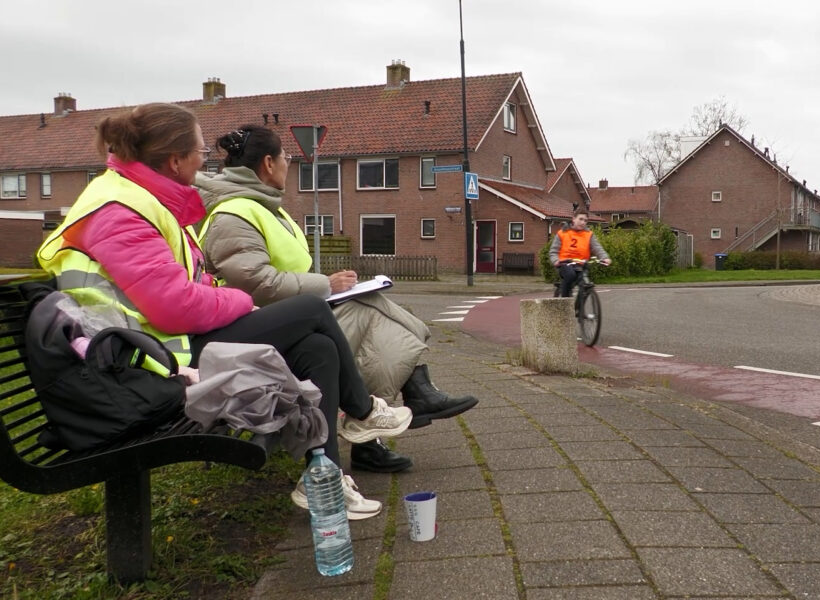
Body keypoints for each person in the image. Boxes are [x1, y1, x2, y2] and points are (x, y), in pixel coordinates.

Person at [36, 103, 408, 518]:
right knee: (310, 311)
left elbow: (183, 287)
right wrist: (241, 299)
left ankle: (322, 476)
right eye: (200, 152)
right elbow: (174, 306)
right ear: (175, 160)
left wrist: (217, 293)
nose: (205, 162)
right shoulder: (119, 211)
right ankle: (362, 413)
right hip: (144, 366)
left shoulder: (141, 200)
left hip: (159, 347)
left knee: (317, 347)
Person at [195, 125, 479, 473]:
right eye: (286, 157)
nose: (288, 163)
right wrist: (324, 284)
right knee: (369, 318)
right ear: (269, 163)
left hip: (288, 316)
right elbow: (255, 283)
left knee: (369, 310)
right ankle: (399, 403)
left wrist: (327, 286)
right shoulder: (233, 214)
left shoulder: (266, 208)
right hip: (267, 327)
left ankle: (399, 406)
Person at [549, 208, 611, 298]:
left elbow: (597, 247)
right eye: (580, 219)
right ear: (573, 219)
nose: (583, 222)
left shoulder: (588, 234)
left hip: (581, 264)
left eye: (585, 220)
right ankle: (565, 303)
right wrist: (555, 261)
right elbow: (553, 251)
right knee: (570, 275)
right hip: (565, 263)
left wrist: (604, 257)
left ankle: (580, 309)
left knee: (585, 284)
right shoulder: (562, 233)